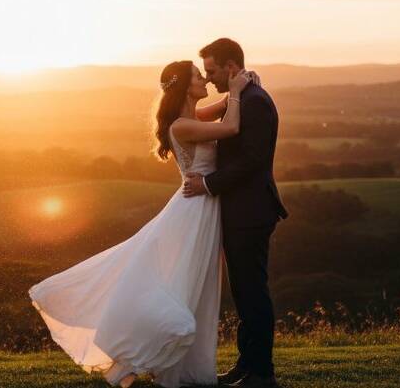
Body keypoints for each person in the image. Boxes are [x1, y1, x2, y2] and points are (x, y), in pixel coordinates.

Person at [29, 54, 257, 388]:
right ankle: (134, 350)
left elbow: (221, 108)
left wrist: (240, 84)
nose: (204, 80)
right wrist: (237, 89)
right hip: (193, 211)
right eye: (197, 76)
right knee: (177, 278)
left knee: (193, 282)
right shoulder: (182, 126)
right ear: (185, 89)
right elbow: (231, 125)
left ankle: (179, 366)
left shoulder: (190, 116)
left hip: (202, 208)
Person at [183, 38, 289, 387]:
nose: (209, 78)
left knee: (253, 291)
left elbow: (252, 160)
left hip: (251, 211)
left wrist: (208, 184)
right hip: (239, 211)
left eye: (212, 71)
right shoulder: (242, 98)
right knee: (244, 292)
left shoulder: (255, 102)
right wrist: (234, 94)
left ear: (231, 68)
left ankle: (262, 373)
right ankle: (248, 364)